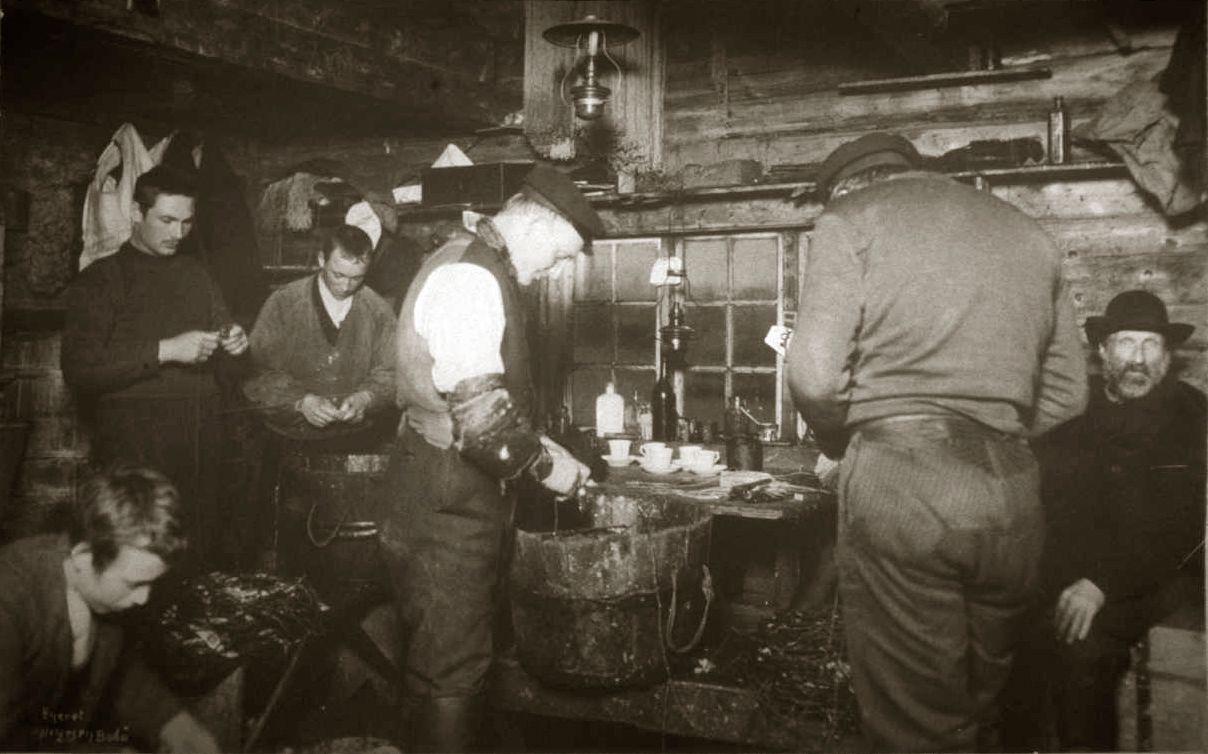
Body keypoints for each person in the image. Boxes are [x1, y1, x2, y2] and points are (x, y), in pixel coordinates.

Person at [785, 132, 1088, 751]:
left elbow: (814, 377)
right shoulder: (1027, 232)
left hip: (906, 487)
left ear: (844, 188)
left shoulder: (849, 221)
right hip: (1012, 495)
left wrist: (847, 439)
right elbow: (1070, 395)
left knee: (917, 725)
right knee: (986, 702)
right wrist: (984, 430)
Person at [382, 164, 602, 751]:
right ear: (535, 220)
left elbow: (476, 396)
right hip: (446, 501)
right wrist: (551, 471)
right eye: (559, 254)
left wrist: (542, 443)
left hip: (451, 490)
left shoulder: (471, 260)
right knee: (450, 670)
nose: (555, 269)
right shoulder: (471, 280)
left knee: (451, 658)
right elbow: (479, 423)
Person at [1001, 290, 1206, 752]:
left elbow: (1180, 524)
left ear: (1168, 355)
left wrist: (1101, 584)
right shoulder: (1073, 409)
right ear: (1102, 351)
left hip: (1151, 579)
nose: (1138, 359)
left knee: (1083, 651)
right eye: (1126, 343)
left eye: (1151, 345)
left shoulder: (1189, 416)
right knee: (1008, 637)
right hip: (1065, 571)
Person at [62, 165, 249, 570]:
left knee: (198, 549)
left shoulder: (196, 274)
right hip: (135, 441)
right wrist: (164, 350)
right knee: (137, 552)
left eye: (186, 222)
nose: (177, 233)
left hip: (201, 437)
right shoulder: (102, 280)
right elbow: (80, 370)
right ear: (135, 213)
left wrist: (235, 339)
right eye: (166, 220)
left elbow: (224, 327)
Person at [0, 465, 219, 753]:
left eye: (153, 584)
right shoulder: (9, 599)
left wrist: (171, 722)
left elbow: (120, 673)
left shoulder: (98, 597)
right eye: (134, 584)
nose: (143, 598)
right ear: (83, 556)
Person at [244, 224, 397, 441]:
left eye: (357, 278)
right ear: (321, 260)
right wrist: (300, 402)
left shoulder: (378, 310)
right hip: (290, 436)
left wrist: (366, 398)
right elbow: (257, 372)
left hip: (356, 436)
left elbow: (391, 372)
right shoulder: (284, 303)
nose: (345, 286)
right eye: (338, 275)